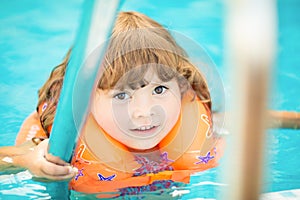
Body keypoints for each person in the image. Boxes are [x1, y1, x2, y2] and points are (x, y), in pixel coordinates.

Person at [11, 11, 300, 194]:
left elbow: (250, 117)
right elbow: (9, 158)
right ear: (86, 101)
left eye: (160, 90)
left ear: (181, 85)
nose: (144, 112)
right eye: (121, 95)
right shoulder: (63, 139)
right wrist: (31, 160)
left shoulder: (194, 115)